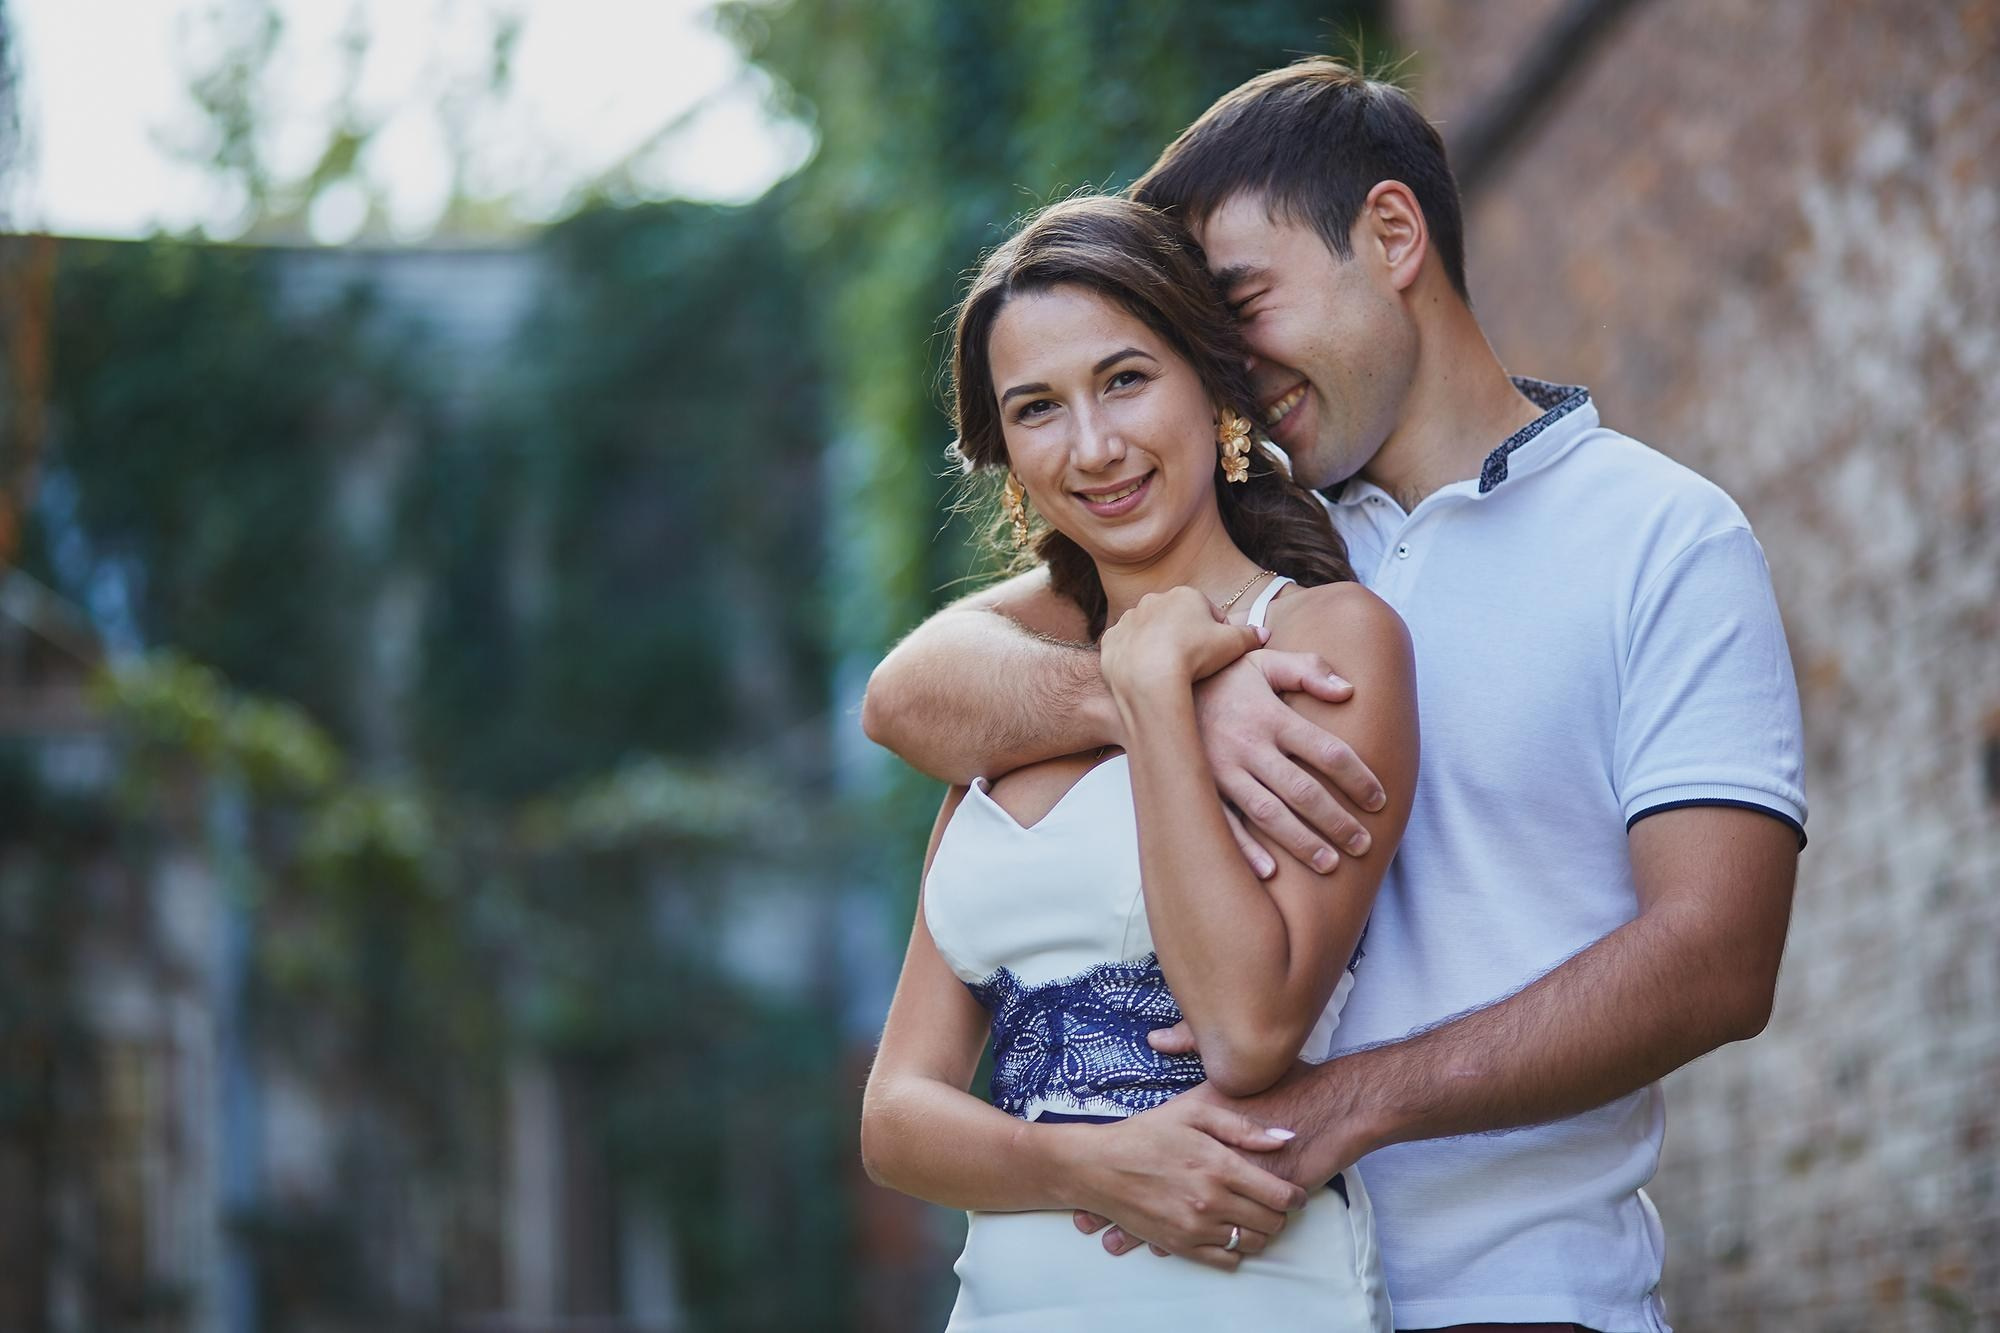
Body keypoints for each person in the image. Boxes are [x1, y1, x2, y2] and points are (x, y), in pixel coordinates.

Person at [862, 58, 1806, 1333]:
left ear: (1392, 235)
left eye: (1241, 302)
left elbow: (1715, 960)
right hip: (1223, 1279)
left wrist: (1351, 1102)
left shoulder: (1659, 537)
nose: (1232, 360)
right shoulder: (1259, 541)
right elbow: (910, 690)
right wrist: (1161, 699)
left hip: (1511, 1287)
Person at [859, 193, 1418, 1330]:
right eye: (1037, 408)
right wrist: (1084, 1165)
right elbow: (894, 1118)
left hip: (1244, 1294)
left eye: (1124, 380)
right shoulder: (1007, 703)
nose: (1094, 447)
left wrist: (1163, 694)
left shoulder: (1327, 641)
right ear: (1008, 455)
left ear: (1214, 389)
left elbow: (1247, 1029)